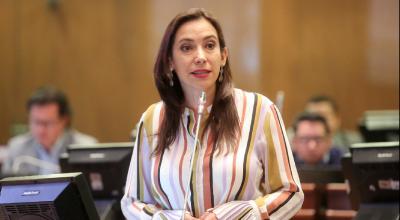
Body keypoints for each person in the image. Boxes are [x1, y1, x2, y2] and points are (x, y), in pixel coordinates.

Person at [121, 8, 303, 220]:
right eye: (187, 48)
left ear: (223, 56)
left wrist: (229, 216)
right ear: (170, 61)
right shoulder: (153, 119)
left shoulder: (260, 110)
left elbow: (291, 193)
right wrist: (172, 219)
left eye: (209, 46)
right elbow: (132, 201)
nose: (200, 57)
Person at [2, 86, 97, 176]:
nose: (40, 129)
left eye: (47, 123)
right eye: (35, 122)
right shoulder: (17, 148)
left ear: (64, 120)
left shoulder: (85, 148)